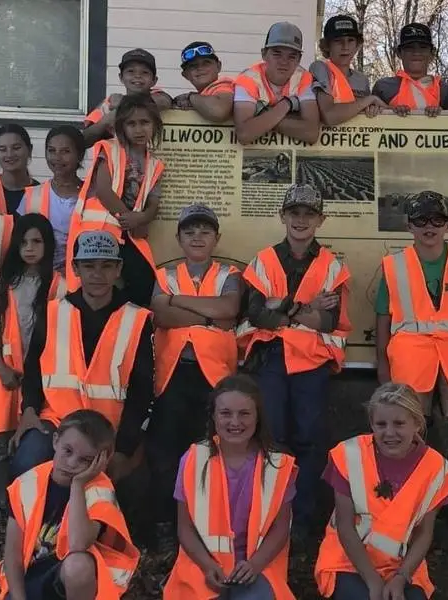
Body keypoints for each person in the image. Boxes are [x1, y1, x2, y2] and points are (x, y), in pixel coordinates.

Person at [236, 184, 351, 540]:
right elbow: (256, 314)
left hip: (311, 365)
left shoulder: (333, 266)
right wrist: (306, 308)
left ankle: (301, 522)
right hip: (270, 361)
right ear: (283, 216)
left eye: (309, 214)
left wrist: (281, 307)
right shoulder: (263, 259)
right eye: (295, 213)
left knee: (310, 440)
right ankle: (270, 518)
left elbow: (329, 323)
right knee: (273, 438)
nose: (301, 220)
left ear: (320, 220)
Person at [11, 230, 155, 486]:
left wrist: (124, 447)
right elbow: (32, 367)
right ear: (75, 269)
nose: (97, 274)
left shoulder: (137, 319)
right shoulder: (53, 311)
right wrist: (29, 410)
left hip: (109, 427)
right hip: (56, 420)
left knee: (129, 486)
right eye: (89, 266)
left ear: (118, 269)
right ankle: (38, 524)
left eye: (106, 266)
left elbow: (141, 390)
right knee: (27, 462)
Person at [147, 203, 242, 549]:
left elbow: (229, 309)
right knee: (166, 454)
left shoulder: (229, 273)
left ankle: (207, 526)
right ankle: (164, 525)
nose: (197, 237)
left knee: (210, 452)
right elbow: (160, 314)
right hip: (172, 376)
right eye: (190, 231)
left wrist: (178, 303)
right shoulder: (164, 275)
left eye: (204, 231)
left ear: (217, 237)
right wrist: (206, 319)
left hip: (215, 379)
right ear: (178, 238)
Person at [314, 382, 448, 600]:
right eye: (381, 424)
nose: (389, 433)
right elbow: (345, 526)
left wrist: (402, 577)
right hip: (348, 561)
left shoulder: (436, 468)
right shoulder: (349, 454)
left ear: (417, 424)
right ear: (371, 424)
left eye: (399, 423)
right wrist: (372, 580)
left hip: (402, 564)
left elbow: (424, 533)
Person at [163, 375, 298, 600]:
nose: (235, 422)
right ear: (214, 416)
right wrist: (207, 565)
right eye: (225, 413)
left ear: (258, 417)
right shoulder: (193, 459)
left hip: (256, 565)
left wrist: (255, 565)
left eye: (244, 413)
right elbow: (184, 529)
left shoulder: (278, 465)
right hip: (203, 563)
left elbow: (281, 530)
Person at [0, 214, 67, 521]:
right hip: (6, 375)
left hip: (41, 376)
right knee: (1, 436)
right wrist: (0, 366)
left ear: (48, 245)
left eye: (37, 242)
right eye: (23, 242)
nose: (29, 248)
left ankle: (25, 500)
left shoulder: (58, 286)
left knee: (33, 435)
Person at [375, 191, 448, 453]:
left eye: (437, 220)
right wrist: (382, 365)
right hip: (409, 359)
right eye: (421, 220)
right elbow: (383, 317)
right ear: (409, 226)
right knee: (409, 435)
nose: (429, 226)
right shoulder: (395, 265)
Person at [0, 409, 140, 600]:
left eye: (85, 460)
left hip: (71, 582)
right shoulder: (27, 483)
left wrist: (78, 485)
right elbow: (13, 554)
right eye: (68, 451)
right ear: (55, 441)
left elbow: (78, 544)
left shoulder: (99, 490)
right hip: (31, 577)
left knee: (78, 564)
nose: (71, 463)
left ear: (101, 461)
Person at [72, 93, 164, 306]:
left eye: (144, 123)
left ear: (155, 125)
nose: (139, 129)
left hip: (128, 233)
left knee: (144, 282)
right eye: (131, 124)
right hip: (100, 233)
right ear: (121, 127)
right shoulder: (110, 148)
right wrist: (128, 218)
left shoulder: (155, 164)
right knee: (102, 286)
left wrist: (141, 218)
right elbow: (104, 191)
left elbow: (153, 203)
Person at [233, 22, 321, 145]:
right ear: (264, 54)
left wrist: (262, 116)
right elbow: (244, 134)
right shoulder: (247, 79)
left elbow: (311, 133)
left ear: (299, 59)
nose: (284, 62)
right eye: (277, 54)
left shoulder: (304, 78)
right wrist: (287, 104)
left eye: (291, 56)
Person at [19, 126, 88, 274]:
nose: (57, 157)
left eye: (65, 151)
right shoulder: (32, 196)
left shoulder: (92, 196)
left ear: (80, 155)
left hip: (82, 282)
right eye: (51, 150)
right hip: (42, 280)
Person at [83, 48, 173, 146]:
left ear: (154, 80)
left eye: (145, 72)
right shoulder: (107, 105)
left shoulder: (158, 96)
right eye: (131, 71)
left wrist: (122, 106)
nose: (137, 76)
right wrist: (105, 121)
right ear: (121, 77)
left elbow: (164, 101)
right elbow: (84, 140)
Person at [309, 15, 387, 126]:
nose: (345, 46)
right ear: (327, 46)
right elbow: (329, 116)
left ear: (357, 45)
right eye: (338, 41)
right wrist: (369, 100)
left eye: (350, 40)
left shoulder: (362, 79)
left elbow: (365, 111)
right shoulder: (320, 68)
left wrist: (373, 108)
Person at [371, 23, 448, 117]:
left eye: (423, 48)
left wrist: (441, 113)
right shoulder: (384, 87)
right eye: (409, 47)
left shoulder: (444, 89)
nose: (416, 52)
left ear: (432, 54)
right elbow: (371, 119)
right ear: (399, 53)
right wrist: (392, 110)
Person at [173, 42, 236, 123]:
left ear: (218, 66)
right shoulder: (204, 95)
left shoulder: (224, 85)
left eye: (206, 63)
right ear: (185, 75)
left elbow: (218, 112)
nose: (200, 68)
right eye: (193, 66)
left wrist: (190, 97)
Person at [0, 124, 38, 215]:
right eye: (2, 149)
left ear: (29, 150)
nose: (9, 154)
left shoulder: (41, 193)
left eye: (16, 148)